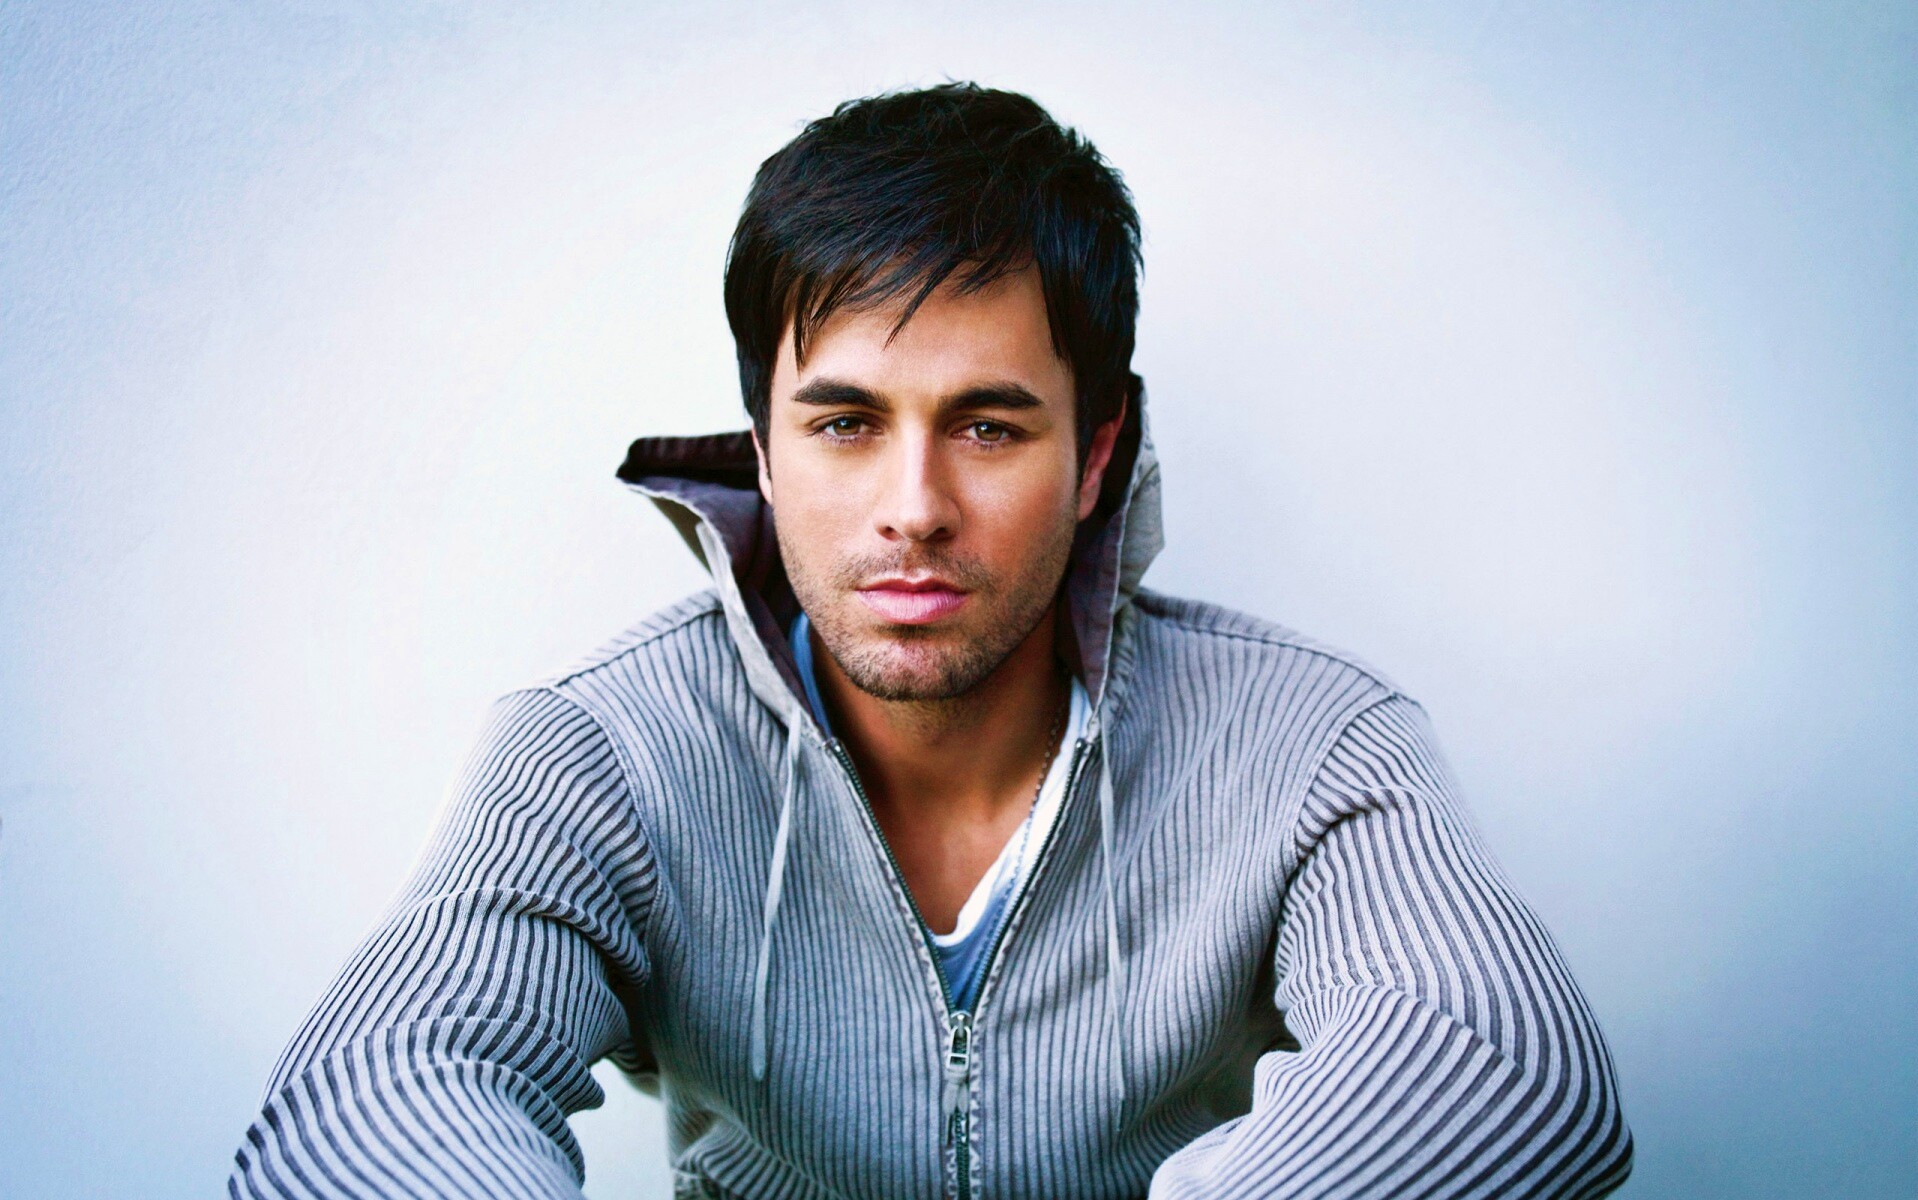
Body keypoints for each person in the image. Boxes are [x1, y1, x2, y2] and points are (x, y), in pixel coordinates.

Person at [228, 83, 1632, 1199]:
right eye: (846, 423)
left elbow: (1503, 1069)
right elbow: (376, 1093)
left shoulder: (1309, 745)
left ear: (1095, 456)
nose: (915, 507)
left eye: (989, 427)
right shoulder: (603, 754)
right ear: (763, 452)